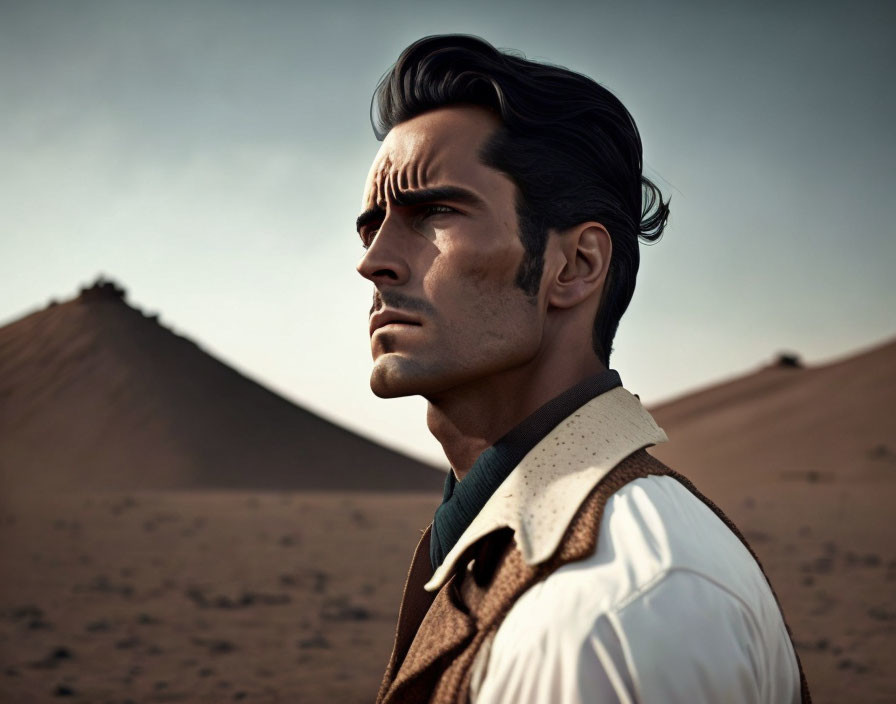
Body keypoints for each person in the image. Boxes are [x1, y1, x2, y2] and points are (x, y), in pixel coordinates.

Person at [355, 34, 811, 704]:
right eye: (372, 225)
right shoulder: (507, 546)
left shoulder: (616, 612)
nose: (374, 262)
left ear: (574, 267)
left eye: (435, 213)